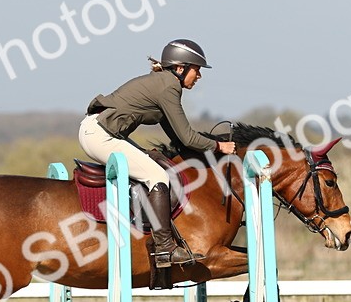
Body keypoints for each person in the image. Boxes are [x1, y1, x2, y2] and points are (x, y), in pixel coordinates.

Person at [79, 39, 236, 267]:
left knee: (155, 159)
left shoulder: (163, 83)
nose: (199, 76)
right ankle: (165, 248)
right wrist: (219, 146)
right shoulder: (168, 87)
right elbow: (187, 137)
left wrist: (205, 148)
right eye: (197, 70)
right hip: (100, 135)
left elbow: (178, 138)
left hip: (101, 131)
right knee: (158, 176)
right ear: (180, 68)